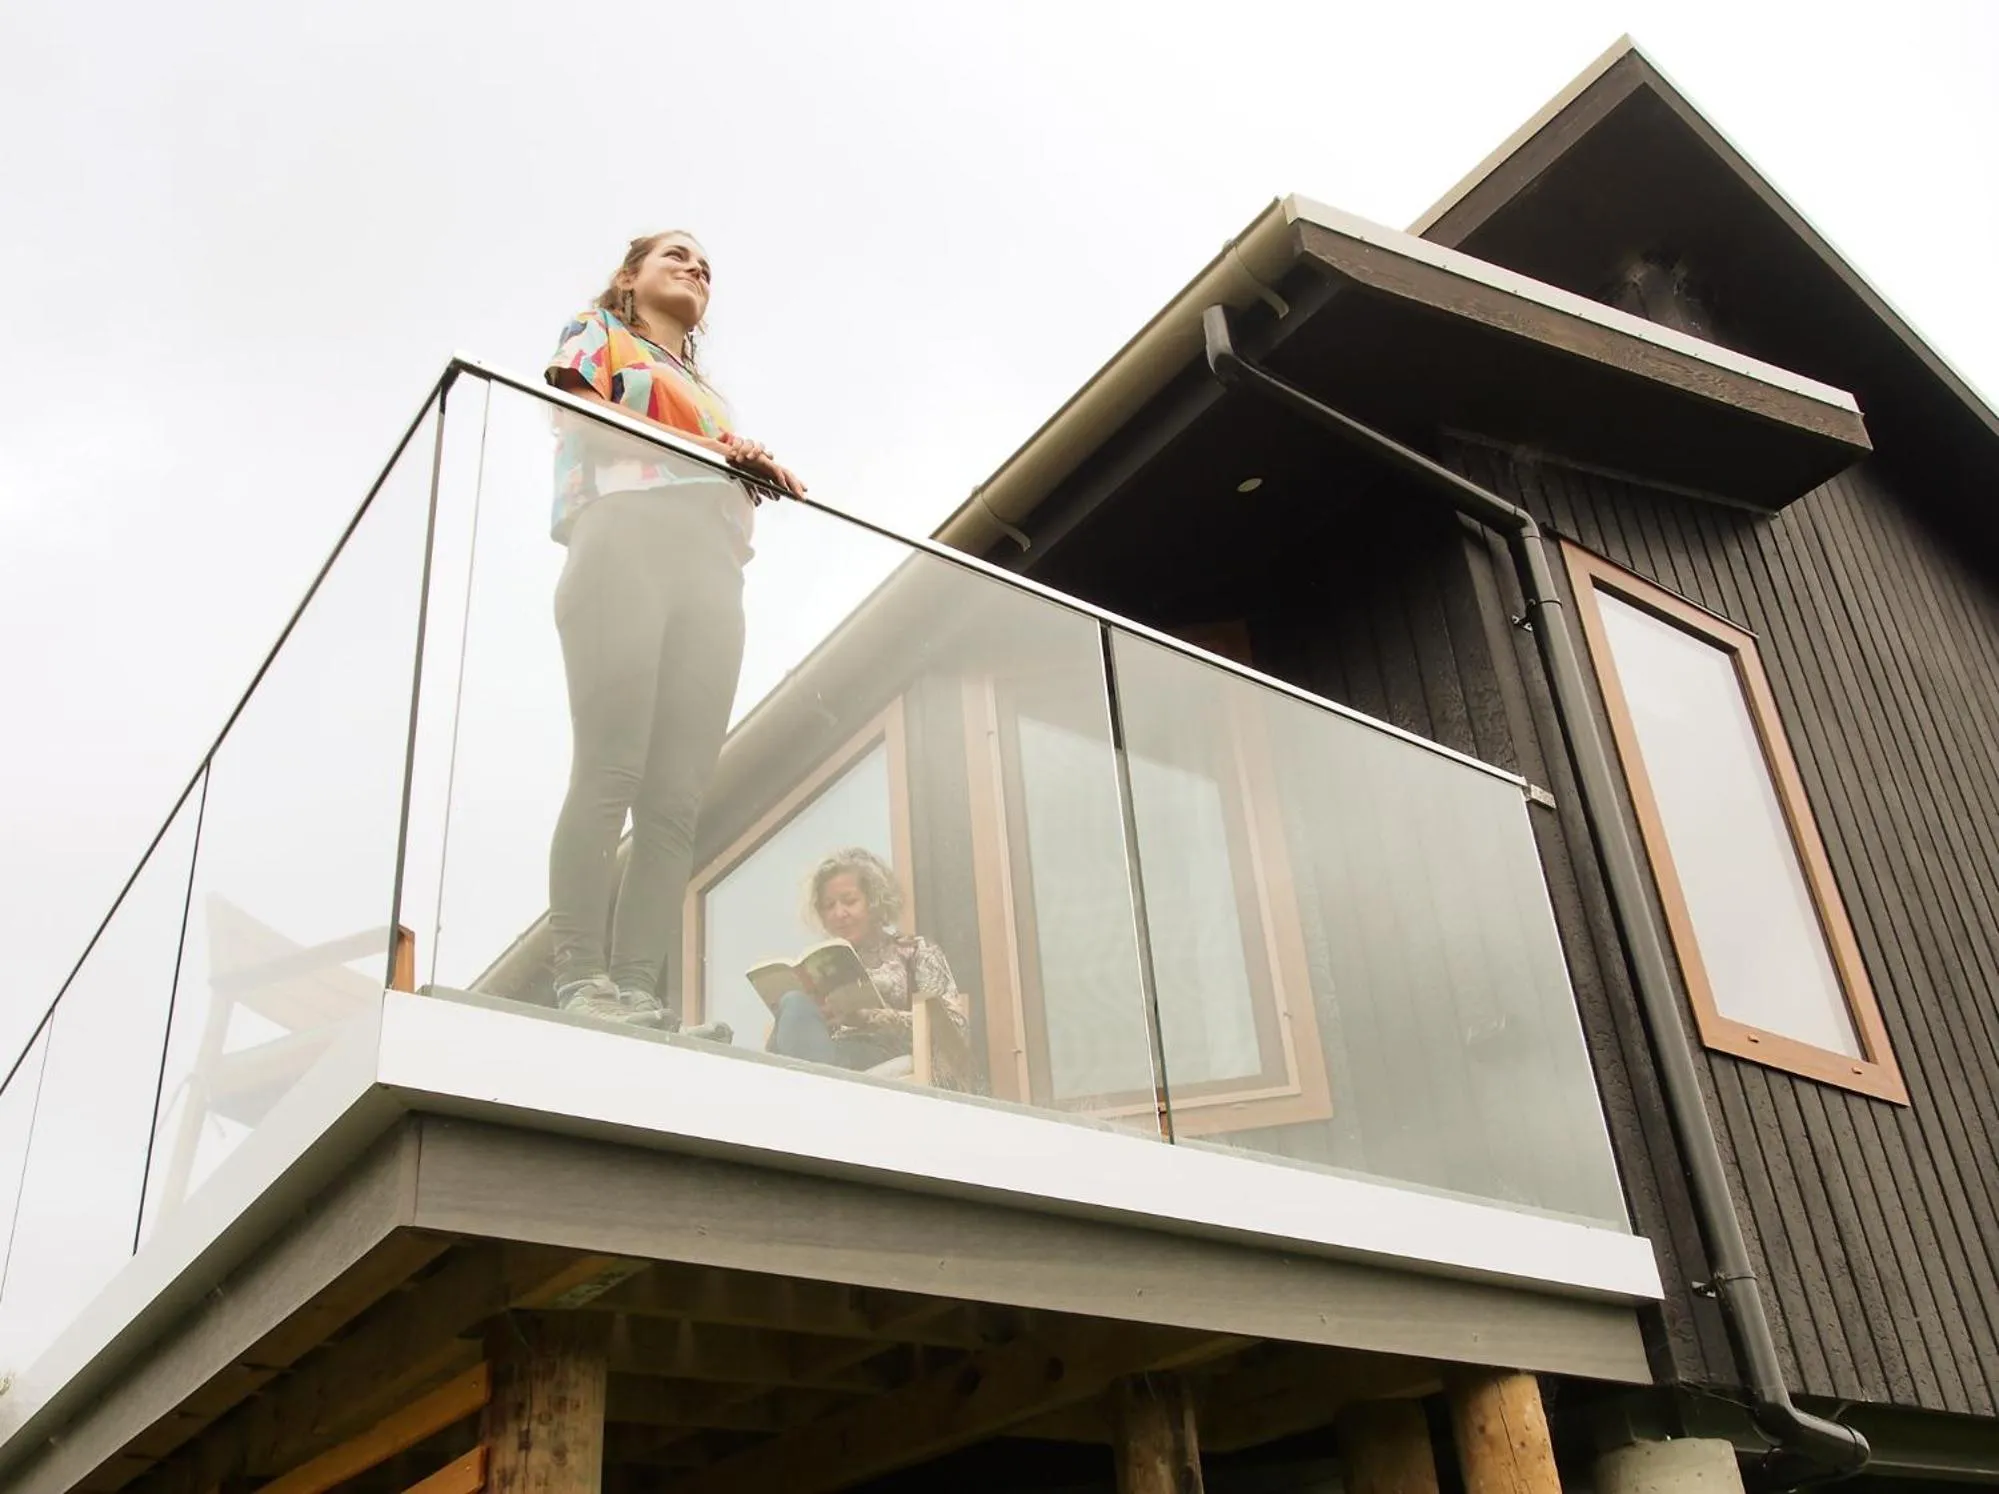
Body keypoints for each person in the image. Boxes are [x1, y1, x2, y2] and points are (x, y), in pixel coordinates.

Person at [544, 230, 805, 1029]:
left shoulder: (704, 392)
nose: (694, 269)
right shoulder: (599, 333)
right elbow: (585, 417)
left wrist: (738, 460)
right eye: (675, 257)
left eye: (705, 268)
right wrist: (719, 452)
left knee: (675, 799)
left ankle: (636, 990)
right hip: (624, 539)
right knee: (611, 767)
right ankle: (580, 980)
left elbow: (711, 467)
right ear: (629, 277)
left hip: (710, 569)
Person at [766, 849, 974, 1080]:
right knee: (793, 1003)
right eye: (829, 906)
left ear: (875, 901)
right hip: (830, 1054)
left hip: (884, 1050)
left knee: (792, 1038)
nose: (839, 913)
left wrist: (870, 1017)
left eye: (849, 901)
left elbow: (955, 1026)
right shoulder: (825, 964)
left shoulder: (916, 951)